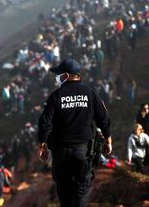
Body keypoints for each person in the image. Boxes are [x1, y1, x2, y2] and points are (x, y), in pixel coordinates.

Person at [37, 58, 112, 207]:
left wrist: (42, 144)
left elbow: (45, 122)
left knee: (64, 188)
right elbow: (103, 117)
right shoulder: (90, 94)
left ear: (65, 75)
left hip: (61, 152)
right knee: (82, 188)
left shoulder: (56, 96)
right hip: (83, 151)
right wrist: (108, 138)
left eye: (59, 74)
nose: (57, 77)